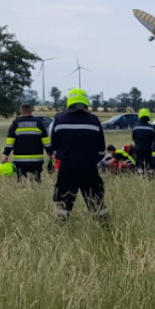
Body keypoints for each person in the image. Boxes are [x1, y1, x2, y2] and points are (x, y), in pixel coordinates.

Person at [49, 88, 107, 220]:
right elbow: (101, 150)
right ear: (86, 102)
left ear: (69, 101)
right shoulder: (94, 120)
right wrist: (90, 160)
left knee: (63, 206)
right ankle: (106, 231)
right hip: (89, 168)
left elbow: (53, 148)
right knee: (97, 204)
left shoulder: (59, 120)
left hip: (67, 168)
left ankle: (60, 232)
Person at [1, 102, 51, 183]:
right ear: (31, 110)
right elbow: (46, 141)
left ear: (21, 110)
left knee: (21, 181)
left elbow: (10, 141)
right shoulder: (38, 123)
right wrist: (51, 154)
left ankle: (22, 192)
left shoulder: (16, 123)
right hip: (36, 160)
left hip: (20, 160)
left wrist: (5, 154)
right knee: (36, 180)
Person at [131, 108, 155, 172]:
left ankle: (140, 174)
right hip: (148, 148)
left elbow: (133, 138)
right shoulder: (151, 128)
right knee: (149, 162)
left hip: (138, 147)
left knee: (139, 163)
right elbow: (153, 138)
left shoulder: (135, 127)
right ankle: (150, 175)